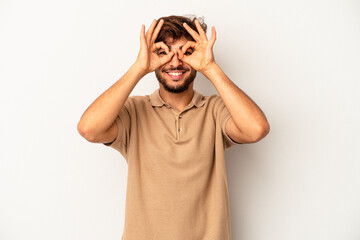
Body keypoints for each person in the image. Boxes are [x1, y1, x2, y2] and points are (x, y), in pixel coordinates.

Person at [77, 15, 270, 240]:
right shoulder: (135, 111)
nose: (175, 62)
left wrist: (210, 67)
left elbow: (256, 128)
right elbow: (88, 129)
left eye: (186, 52)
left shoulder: (215, 111)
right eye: (164, 52)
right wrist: (139, 67)